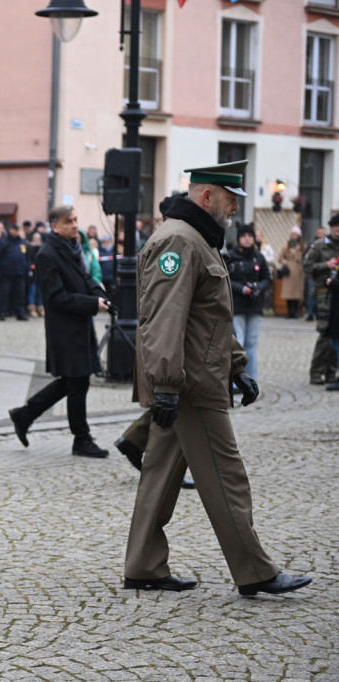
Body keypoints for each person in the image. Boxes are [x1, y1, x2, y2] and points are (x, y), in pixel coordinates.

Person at [123, 159, 311, 596]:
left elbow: (209, 318)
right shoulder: (180, 242)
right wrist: (167, 385)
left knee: (160, 475)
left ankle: (144, 566)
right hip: (190, 385)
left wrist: (238, 365)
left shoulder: (197, 240)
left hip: (192, 379)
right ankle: (256, 572)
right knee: (228, 478)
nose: (234, 209)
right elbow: (165, 321)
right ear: (207, 196)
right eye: (229, 199)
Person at [8, 205, 110, 459]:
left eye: (76, 220)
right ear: (55, 226)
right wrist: (90, 304)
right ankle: (81, 439)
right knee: (77, 382)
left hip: (80, 326)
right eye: (69, 222)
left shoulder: (73, 248)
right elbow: (56, 298)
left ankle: (25, 415)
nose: (75, 225)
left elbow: (85, 280)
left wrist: (99, 295)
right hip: (65, 330)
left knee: (73, 381)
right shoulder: (47, 254)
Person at [225, 223, 270, 381]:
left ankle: (252, 378)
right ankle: (237, 379)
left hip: (254, 305)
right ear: (239, 238)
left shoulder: (259, 257)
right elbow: (226, 279)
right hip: (237, 305)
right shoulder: (231, 256)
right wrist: (242, 289)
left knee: (252, 344)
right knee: (239, 343)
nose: (246, 239)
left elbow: (267, 278)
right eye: (244, 236)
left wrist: (258, 288)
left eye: (249, 236)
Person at [303, 215, 339, 385]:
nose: (338, 229)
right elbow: (307, 266)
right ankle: (316, 371)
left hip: (337, 294)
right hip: (324, 294)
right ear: (331, 227)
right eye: (335, 226)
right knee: (325, 334)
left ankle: (331, 372)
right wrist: (326, 265)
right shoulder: (319, 245)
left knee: (336, 334)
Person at [0, 223, 30, 320]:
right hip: (6, 273)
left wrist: (27, 267)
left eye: (16, 229)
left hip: (20, 273)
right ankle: (2, 312)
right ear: (10, 230)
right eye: (13, 229)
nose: (15, 231)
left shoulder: (22, 242)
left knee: (20, 294)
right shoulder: (4, 242)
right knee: (4, 294)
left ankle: (20, 313)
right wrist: (0, 269)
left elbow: (27, 256)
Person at [277, 226, 306, 318]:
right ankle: (289, 311)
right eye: (292, 234)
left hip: (298, 271)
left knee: (297, 292)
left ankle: (295, 311)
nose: (294, 236)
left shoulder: (302, 246)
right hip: (289, 271)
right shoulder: (286, 246)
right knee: (288, 292)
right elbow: (280, 258)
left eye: (296, 234)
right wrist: (286, 263)